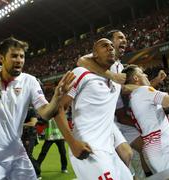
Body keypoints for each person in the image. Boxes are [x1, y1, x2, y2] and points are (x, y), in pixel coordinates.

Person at [0, 37, 75, 180]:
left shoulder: (30, 81)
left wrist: (57, 97)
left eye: (22, 56)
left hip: (16, 151)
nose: (19, 60)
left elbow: (46, 113)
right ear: (1, 58)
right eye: (14, 56)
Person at [78, 29, 166, 178]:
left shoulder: (120, 66)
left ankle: (144, 176)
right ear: (110, 42)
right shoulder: (103, 62)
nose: (124, 40)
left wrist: (154, 82)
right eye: (120, 38)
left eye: (125, 38)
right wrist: (112, 76)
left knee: (142, 149)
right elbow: (81, 61)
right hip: (105, 120)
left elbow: (131, 90)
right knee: (122, 157)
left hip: (120, 119)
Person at [55, 38, 133, 180]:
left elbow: (128, 88)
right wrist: (72, 143)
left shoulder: (115, 84)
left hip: (110, 151)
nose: (110, 48)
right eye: (104, 46)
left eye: (111, 46)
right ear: (94, 55)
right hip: (88, 149)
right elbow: (59, 108)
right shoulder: (82, 74)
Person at [122, 64, 169, 173]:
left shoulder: (132, 99)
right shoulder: (144, 91)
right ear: (136, 78)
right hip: (164, 146)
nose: (145, 75)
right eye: (142, 73)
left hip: (152, 149)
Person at [21, 106, 41, 178]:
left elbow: (33, 123)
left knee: (28, 155)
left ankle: (37, 172)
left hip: (29, 135)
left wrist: (20, 125)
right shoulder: (19, 109)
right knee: (22, 155)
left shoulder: (30, 110)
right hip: (21, 135)